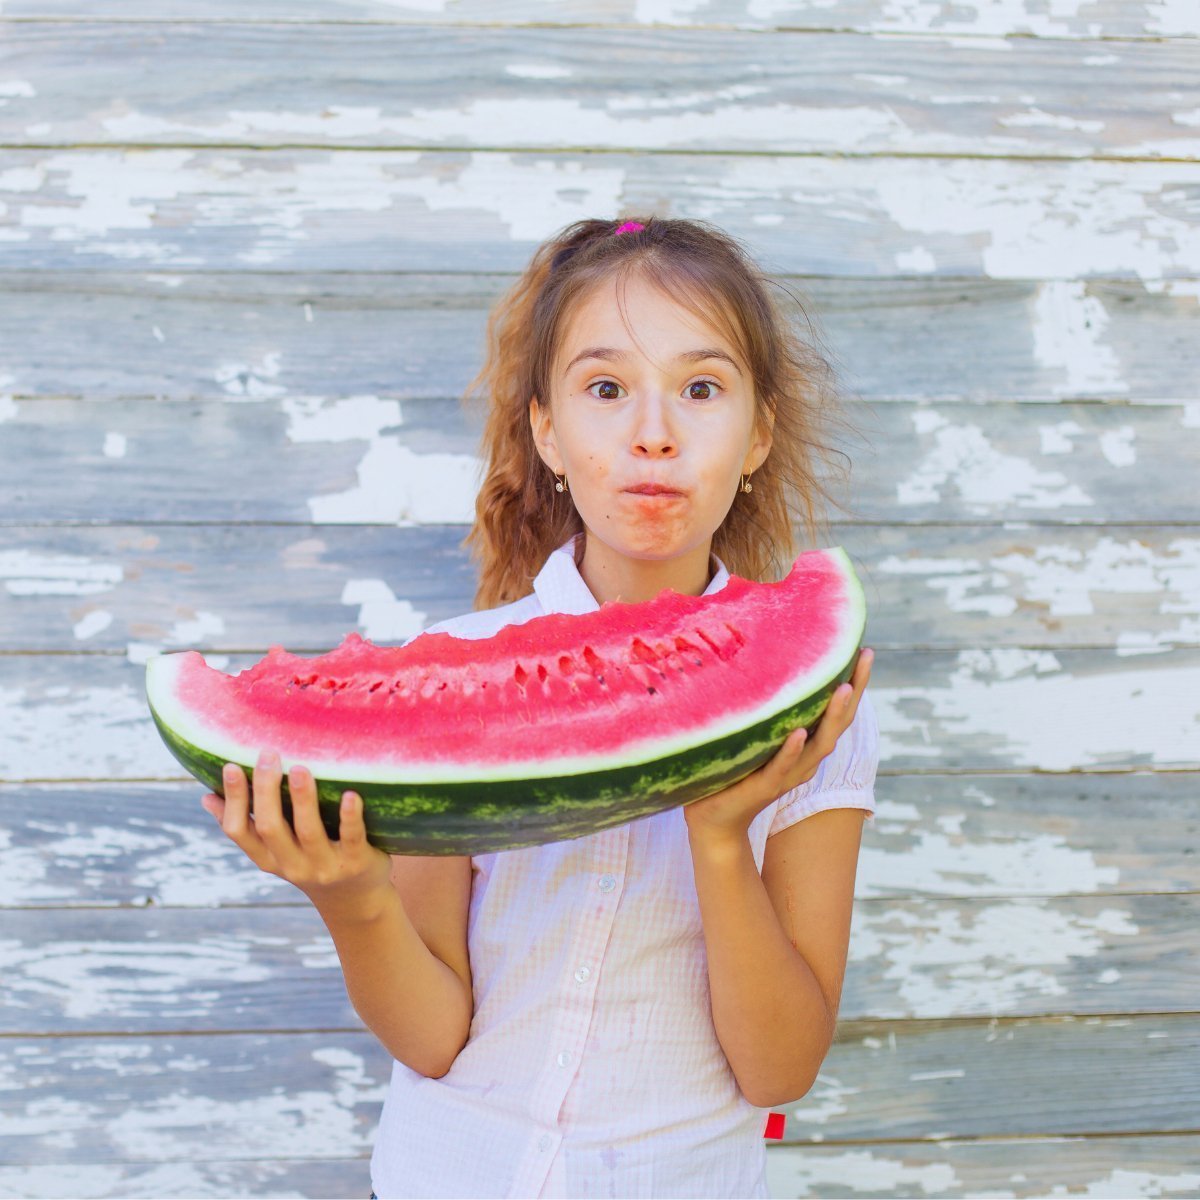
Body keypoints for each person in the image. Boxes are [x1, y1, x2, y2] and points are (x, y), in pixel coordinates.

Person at [200, 215, 879, 1199]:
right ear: (548, 433)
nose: (654, 431)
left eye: (701, 388)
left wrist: (721, 834)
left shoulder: (821, 706)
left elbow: (780, 1072)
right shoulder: (453, 680)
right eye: (606, 389)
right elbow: (435, 1037)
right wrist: (352, 902)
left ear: (758, 433)